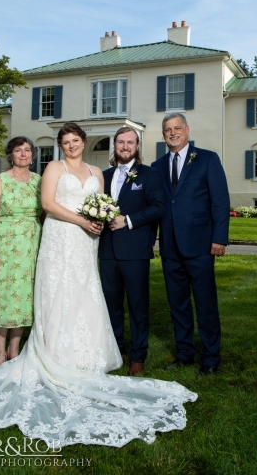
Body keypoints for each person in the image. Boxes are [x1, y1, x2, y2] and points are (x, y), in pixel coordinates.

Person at [0, 123, 197, 447]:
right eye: (66, 141)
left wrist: (96, 221)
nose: (71, 145)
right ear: (61, 145)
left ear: (83, 143)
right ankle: (52, 354)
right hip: (59, 237)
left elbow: (101, 203)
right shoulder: (54, 168)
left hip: (87, 244)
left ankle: (86, 355)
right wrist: (83, 220)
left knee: (85, 294)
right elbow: (48, 204)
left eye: (76, 141)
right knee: (57, 293)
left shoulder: (97, 173)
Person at [151, 113, 230, 376]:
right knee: (178, 303)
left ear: (186, 130)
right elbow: (158, 207)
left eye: (176, 128)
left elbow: (219, 201)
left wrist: (219, 237)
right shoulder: (157, 165)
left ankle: (211, 357)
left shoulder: (207, 159)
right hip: (170, 246)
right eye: (167, 129)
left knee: (205, 303)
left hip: (200, 245)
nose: (172, 133)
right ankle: (185, 353)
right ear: (163, 135)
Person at [99, 127, 166, 376]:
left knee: (138, 306)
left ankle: (139, 356)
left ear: (137, 146)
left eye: (130, 142)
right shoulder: (102, 176)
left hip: (135, 251)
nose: (125, 146)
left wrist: (127, 220)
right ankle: (117, 350)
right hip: (107, 251)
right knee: (111, 305)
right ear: (114, 145)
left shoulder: (149, 175)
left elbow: (159, 207)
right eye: (121, 142)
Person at [0, 136, 43, 366]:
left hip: (31, 248)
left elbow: (45, 213)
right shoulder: (1, 180)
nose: (24, 154)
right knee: (4, 298)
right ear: (11, 155)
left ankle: (14, 350)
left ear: (33, 155)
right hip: (5, 247)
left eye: (27, 150)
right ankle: (0, 352)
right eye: (18, 150)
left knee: (25, 298)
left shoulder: (39, 181)